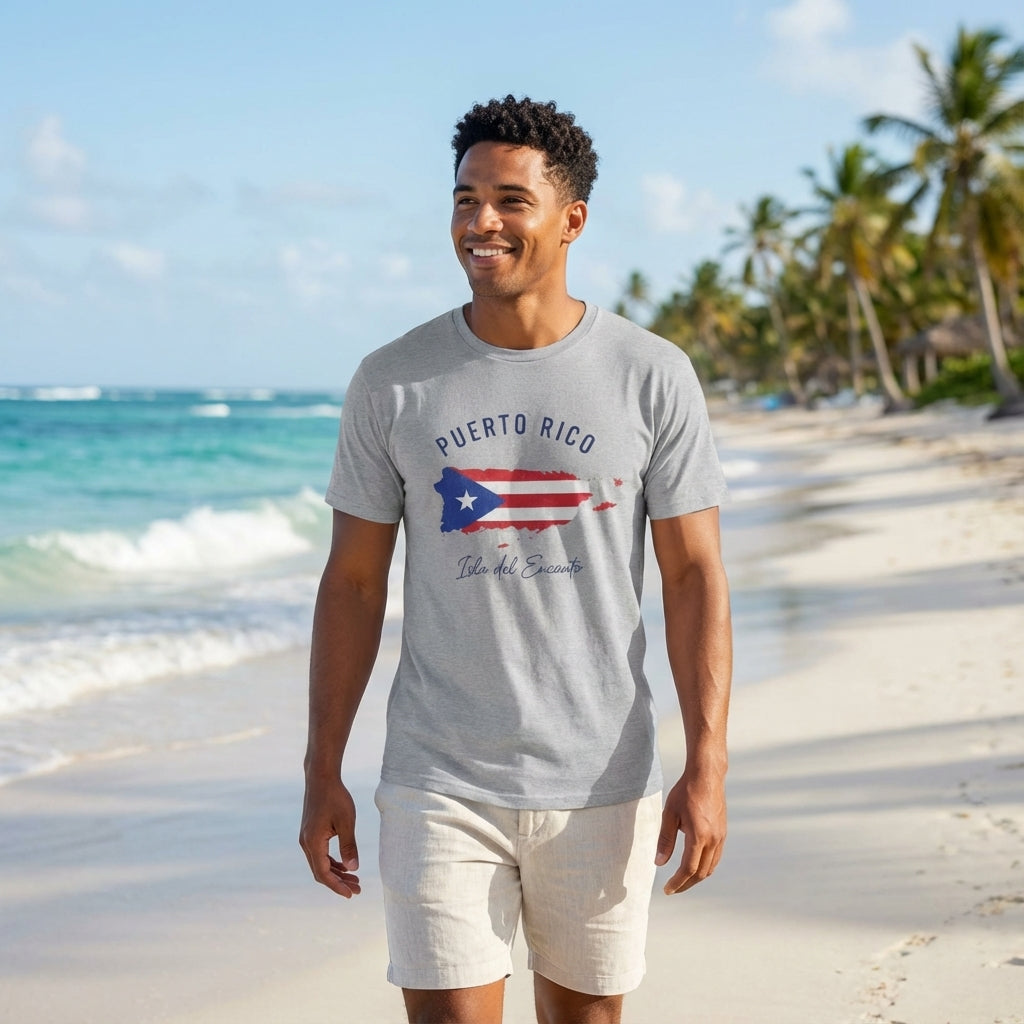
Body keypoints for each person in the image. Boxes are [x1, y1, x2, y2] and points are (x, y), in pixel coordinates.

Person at [299, 94, 732, 1024]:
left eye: (508, 200)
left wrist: (708, 764)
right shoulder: (394, 380)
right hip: (438, 777)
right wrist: (321, 767)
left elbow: (694, 575)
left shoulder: (650, 374)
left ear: (572, 218)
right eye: (463, 200)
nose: (479, 223)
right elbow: (353, 582)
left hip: (603, 776)